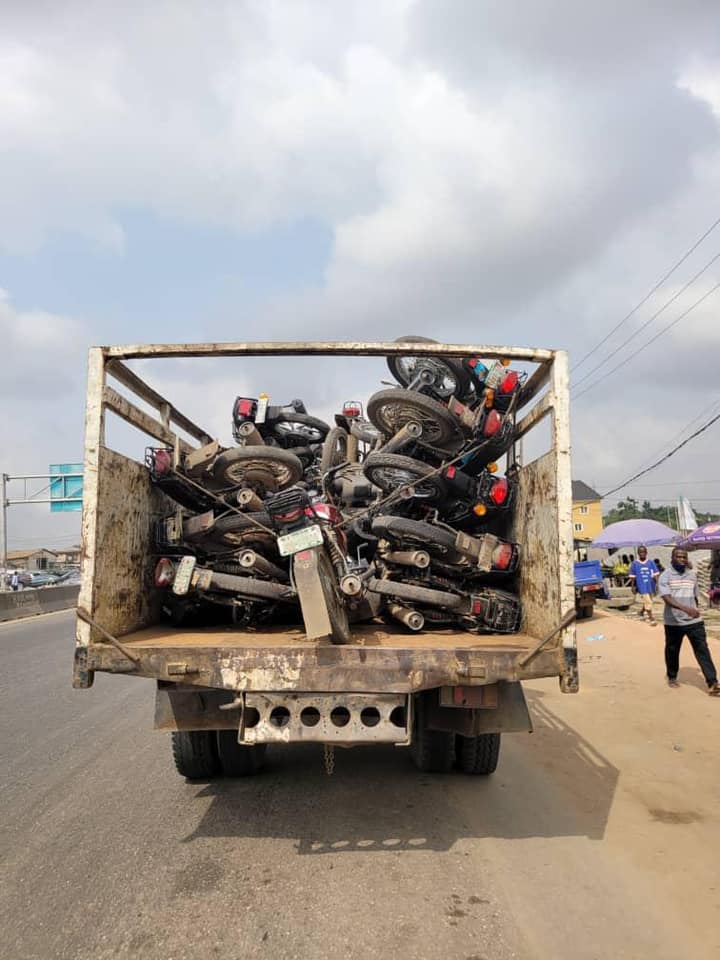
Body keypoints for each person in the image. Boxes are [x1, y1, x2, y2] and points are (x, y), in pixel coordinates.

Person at [658, 546, 720, 696]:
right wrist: (686, 609)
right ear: (672, 558)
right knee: (672, 650)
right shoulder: (665, 576)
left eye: (684, 557)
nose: (682, 559)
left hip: (694, 621)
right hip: (674, 622)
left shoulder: (692, 575)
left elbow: (695, 596)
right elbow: (667, 598)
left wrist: (699, 608)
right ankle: (672, 676)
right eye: (679, 557)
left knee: (702, 650)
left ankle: (712, 683)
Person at [628, 546, 659, 626]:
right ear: (638, 553)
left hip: (650, 585)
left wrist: (657, 584)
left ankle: (641, 612)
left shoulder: (651, 562)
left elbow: (656, 574)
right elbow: (632, 577)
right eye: (640, 552)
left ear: (646, 553)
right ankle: (651, 618)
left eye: (644, 552)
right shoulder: (635, 564)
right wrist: (633, 587)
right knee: (648, 602)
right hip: (641, 585)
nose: (642, 554)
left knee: (649, 601)